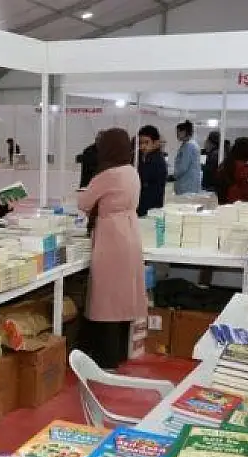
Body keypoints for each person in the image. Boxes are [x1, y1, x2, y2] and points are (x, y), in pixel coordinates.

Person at [76, 128, 146, 370]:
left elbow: (83, 203)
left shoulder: (107, 175)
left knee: (106, 296)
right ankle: (119, 353)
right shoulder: (131, 171)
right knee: (124, 295)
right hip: (130, 231)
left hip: (111, 235)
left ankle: (104, 357)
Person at [215, 137, 248, 204]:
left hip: (223, 200)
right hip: (239, 202)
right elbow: (247, 190)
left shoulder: (225, 163)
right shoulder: (244, 167)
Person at [136, 125, 168, 216]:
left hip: (151, 208)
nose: (143, 146)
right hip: (144, 206)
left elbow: (143, 178)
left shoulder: (157, 160)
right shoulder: (144, 158)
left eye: (146, 142)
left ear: (155, 142)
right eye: (140, 143)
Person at [173, 120, 202, 195]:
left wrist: (174, 175)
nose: (177, 134)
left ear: (184, 132)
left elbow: (183, 167)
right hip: (188, 184)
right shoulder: (188, 144)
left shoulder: (189, 146)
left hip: (187, 185)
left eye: (178, 132)